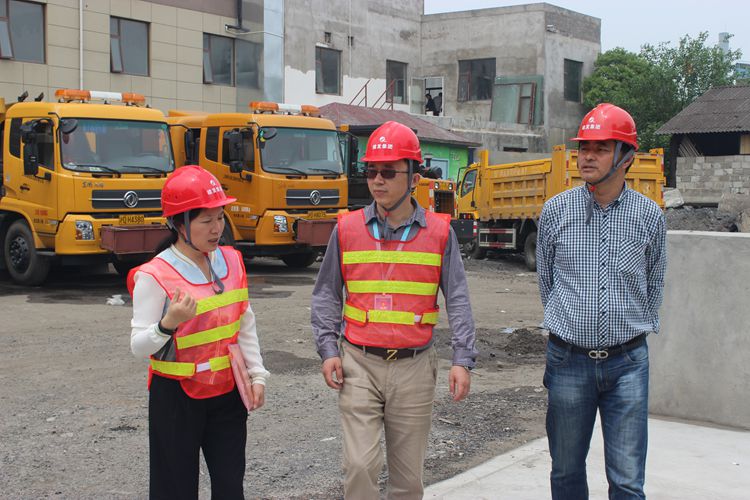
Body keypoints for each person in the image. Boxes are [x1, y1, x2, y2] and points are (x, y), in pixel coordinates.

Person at [311, 121, 478, 499]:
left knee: (407, 480)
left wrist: (462, 359)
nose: (377, 180)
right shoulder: (347, 229)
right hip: (359, 362)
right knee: (359, 466)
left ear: (414, 178)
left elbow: (458, 298)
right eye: (371, 171)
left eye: (388, 172)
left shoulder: (439, 232)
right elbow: (326, 294)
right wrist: (328, 349)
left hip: (414, 367)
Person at [536, 104, 667, 499]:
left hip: (628, 364)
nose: (587, 157)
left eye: (600, 148)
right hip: (567, 361)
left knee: (627, 481)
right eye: (584, 148)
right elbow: (547, 282)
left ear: (626, 157)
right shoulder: (556, 211)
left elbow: (654, 283)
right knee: (566, 473)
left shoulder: (649, 216)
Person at [129, 165, 269, 500]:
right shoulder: (155, 274)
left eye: (220, 217)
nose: (217, 228)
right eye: (206, 221)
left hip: (227, 391)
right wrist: (167, 324)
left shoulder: (231, 261)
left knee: (230, 486)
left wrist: (257, 374)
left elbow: (244, 321)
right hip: (176, 397)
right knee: (174, 489)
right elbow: (138, 346)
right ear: (179, 224)